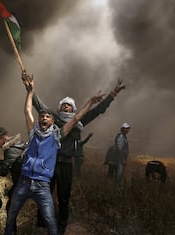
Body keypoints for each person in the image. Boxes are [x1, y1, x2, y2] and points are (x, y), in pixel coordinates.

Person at [4, 72, 104, 235]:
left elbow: (78, 117)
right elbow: (28, 110)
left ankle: (57, 229)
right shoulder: (33, 132)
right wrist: (30, 92)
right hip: (25, 182)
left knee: (54, 215)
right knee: (12, 215)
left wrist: (92, 101)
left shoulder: (58, 134)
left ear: (52, 121)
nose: (44, 117)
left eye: (47, 116)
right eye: (42, 116)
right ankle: (33, 228)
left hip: (46, 180)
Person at [31, 73, 125, 234]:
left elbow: (99, 110)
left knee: (64, 198)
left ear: (73, 109)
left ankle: (60, 229)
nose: (65, 107)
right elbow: (39, 106)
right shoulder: (54, 120)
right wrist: (30, 89)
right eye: (63, 105)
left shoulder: (79, 122)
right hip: (50, 163)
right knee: (44, 194)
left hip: (66, 164)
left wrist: (113, 93)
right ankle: (41, 224)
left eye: (69, 105)